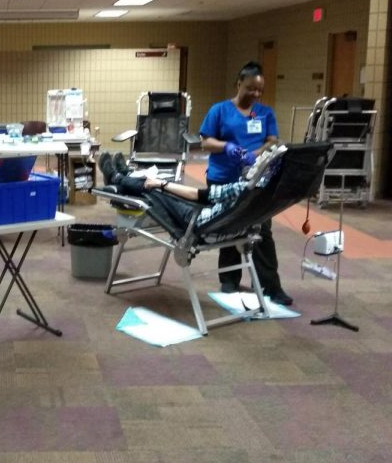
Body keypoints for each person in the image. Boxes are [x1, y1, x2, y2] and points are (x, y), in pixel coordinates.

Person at [198, 61, 292, 305]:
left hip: (256, 178)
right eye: (250, 88)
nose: (255, 94)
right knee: (228, 226)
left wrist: (256, 153)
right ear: (238, 84)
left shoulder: (264, 113)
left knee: (262, 231)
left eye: (259, 90)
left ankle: (270, 286)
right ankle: (229, 280)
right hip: (223, 177)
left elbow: (272, 141)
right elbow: (206, 142)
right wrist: (228, 147)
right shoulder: (219, 111)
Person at [98, 148, 282, 232]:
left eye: (259, 162)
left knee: (157, 191)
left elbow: (198, 195)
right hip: (221, 222)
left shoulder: (241, 188)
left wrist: (161, 184)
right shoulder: (265, 193)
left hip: (197, 220)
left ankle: (118, 178)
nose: (255, 161)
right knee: (164, 187)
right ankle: (126, 176)